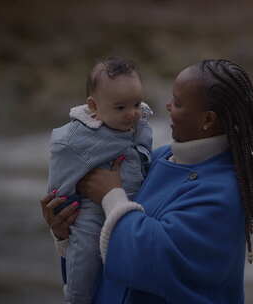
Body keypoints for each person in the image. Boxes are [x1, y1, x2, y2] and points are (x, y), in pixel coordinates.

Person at [41, 59, 253, 304]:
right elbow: (107, 257)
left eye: (178, 103)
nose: (167, 106)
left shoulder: (224, 193)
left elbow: (150, 261)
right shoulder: (158, 159)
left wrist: (112, 195)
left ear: (207, 120)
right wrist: (67, 232)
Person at [46, 56, 153, 304]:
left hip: (135, 204)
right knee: (84, 253)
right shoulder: (77, 137)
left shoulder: (141, 125)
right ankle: (77, 298)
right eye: (120, 108)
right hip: (91, 209)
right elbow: (60, 174)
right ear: (94, 106)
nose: (132, 114)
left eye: (136, 104)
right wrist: (62, 206)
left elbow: (146, 155)